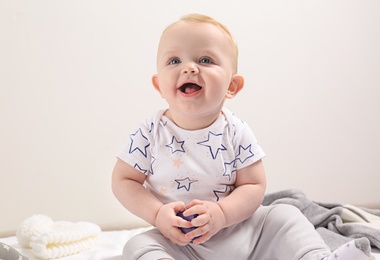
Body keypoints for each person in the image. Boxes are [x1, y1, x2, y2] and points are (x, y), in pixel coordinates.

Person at [112, 13, 371, 260]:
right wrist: (157, 214)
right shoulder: (150, 132)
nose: (189, 68)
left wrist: (222, 214)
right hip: (181, 242)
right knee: (138, 245)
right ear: (159, 85)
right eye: (174, 61)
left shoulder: (235, 130)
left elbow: (253, 185)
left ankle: (316, 256)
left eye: (205, 60)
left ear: (231, 86)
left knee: (284, 215)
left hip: (243, 233)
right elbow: (124, 180)